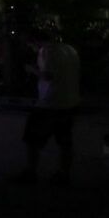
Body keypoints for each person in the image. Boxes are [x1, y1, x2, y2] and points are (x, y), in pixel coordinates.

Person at [13, 29, 81, 186]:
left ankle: (31, 173)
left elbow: (47, 75)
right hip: (70, 101)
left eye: (31, 45)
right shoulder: (70, 50)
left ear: (36, 41)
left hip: (50, 103)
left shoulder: (46, 51)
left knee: (32, 139)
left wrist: (31, 70)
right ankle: (64, 175)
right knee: (65, 142)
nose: (32, 49)